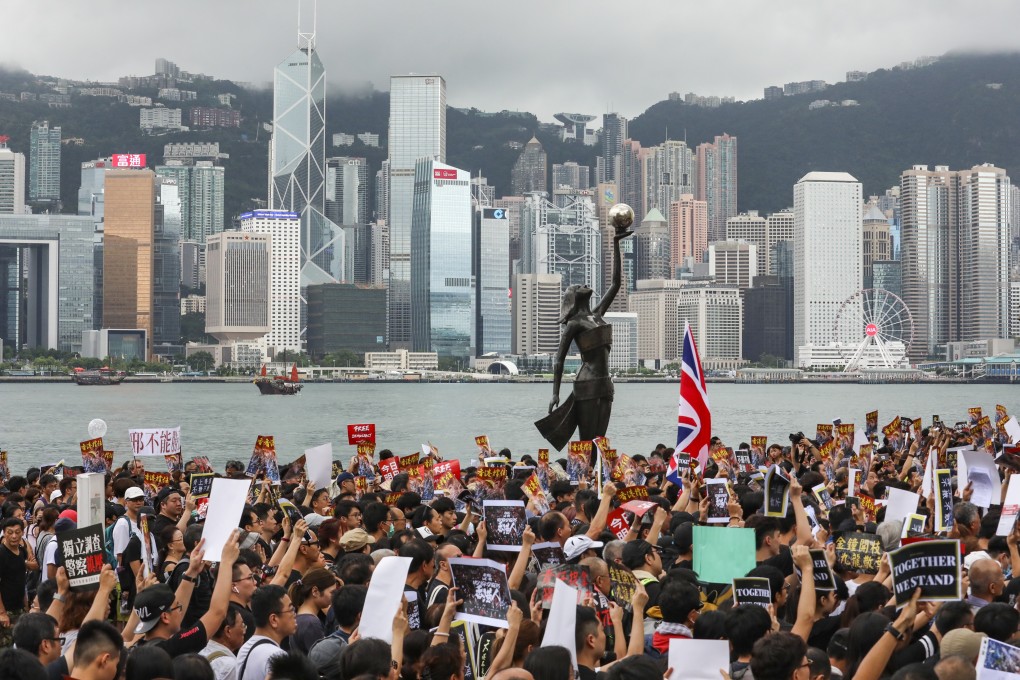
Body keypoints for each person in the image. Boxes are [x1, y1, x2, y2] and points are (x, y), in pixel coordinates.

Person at [537, 220, 630, 450]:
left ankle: (596, 479)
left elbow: (616, 283)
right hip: (586, 384)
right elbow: (558, 359)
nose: (584, 284)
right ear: (574, 297)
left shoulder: (597, 314)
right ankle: (584, 481)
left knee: (601, 442)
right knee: (587, 441)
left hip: (605, 384)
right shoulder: (575, 324)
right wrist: (555, 393)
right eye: (579, 285)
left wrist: (616, 243)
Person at [235, 585, 297, 680]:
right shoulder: (277, 656)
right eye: (291, 609)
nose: (295, 615)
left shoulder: (245, 648)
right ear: (274, 619)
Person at [0, 516, 39, 644]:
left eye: (17, 532)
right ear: (4, 533)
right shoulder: (1, 554)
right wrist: (2, 613)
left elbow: (22, 580)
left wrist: (26, 606)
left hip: (20, 608)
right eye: (10, 532)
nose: (14, 536)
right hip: (6, 609)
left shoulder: (22, 551)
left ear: (22, 533)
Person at [289, 567, 337, 655]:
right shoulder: (311, 623)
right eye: (332, 592)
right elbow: (322, 658)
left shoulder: (299, 617)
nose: (334, 596)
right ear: (315, 591)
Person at [199, 604, 246, 680]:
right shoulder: (230, 666)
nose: (244, 630)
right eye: (242, 625)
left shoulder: (199, 652)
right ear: (228, 631)